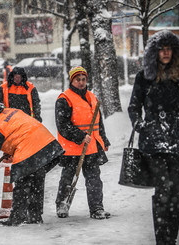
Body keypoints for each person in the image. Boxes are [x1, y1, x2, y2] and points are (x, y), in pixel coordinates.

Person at [128, 30, 179, 245]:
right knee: (162, 191)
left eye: (169, 48)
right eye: (161, 49)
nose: (165, 53)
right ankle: (161, 240)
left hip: (178, 140)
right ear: (155, 52)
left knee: (175, 194)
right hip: (153, 141)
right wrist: (140, 125)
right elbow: (134, 107)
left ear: (174, 51)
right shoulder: (144, 76)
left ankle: (171, 239)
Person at [0, 100, 64, 226]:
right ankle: (35, 216)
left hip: (30, 148)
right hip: (46, 144)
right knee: (36, 180)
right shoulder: (8, 112)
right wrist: (10, 149)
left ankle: (17, 218)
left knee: (22, 183)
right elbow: (17, 131)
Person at [55, 66, 111, 220]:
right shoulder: (64, 99)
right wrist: (79, 136)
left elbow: (98, 123)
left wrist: (103, 139)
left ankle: (97, 208)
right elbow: (63, 125)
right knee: (68, 178)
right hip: (72, 148)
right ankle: (62, 204)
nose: (81, 82)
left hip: (91, 147)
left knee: (94, 179)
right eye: (77, 79)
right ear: (71, 80)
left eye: (83, 79)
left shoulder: (92, 97)